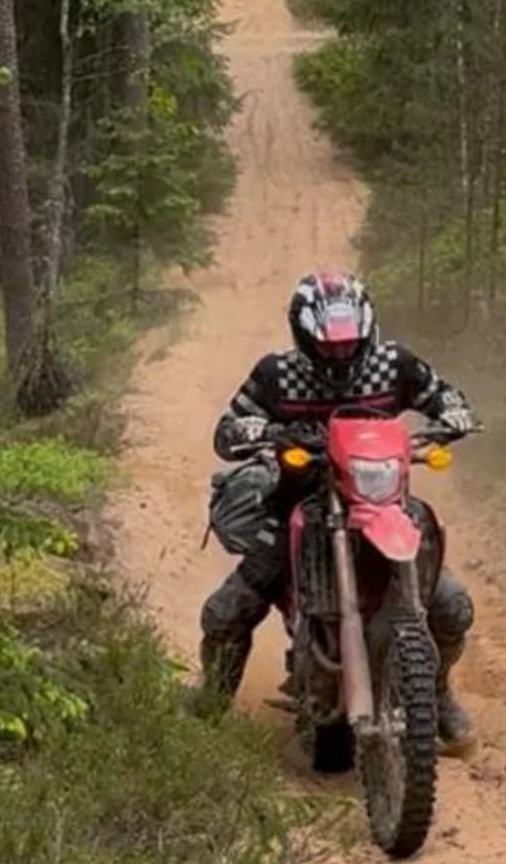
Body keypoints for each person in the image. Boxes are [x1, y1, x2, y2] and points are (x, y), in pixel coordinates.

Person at [198, 271, 480, 753]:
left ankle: (437, 694)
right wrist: (265, 434)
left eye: (348, 346)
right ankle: (208, 709)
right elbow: (228, 430)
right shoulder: (276, 374)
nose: (339, 357)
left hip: (383, 501)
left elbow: (448, 398)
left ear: (366, 332)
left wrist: (452, 419)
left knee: (451, 605)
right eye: (327, 348)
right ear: (304, 337)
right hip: (296, 500)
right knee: (228, 612)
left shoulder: (395, 364)